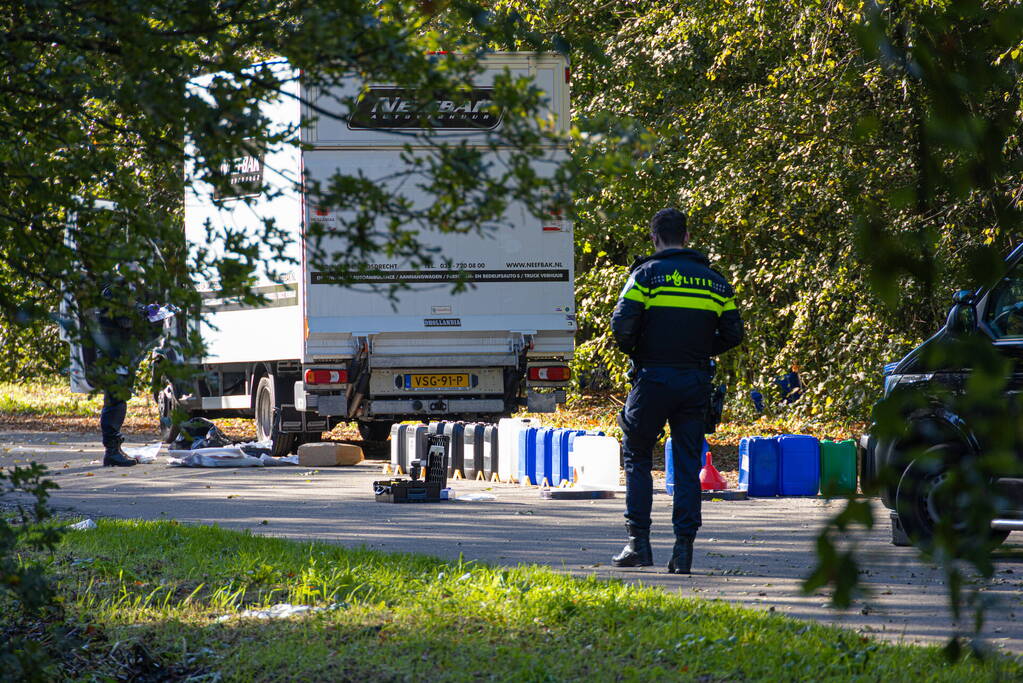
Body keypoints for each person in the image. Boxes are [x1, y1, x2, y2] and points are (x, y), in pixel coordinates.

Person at [610, 208, 744, 574]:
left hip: (652, 378)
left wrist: (642, 351)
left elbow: (621, 326)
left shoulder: (645, 276)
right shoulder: (716, 282)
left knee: (637, 456)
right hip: (694, 381)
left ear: (654, 238)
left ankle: (638, 544)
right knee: (687, 464)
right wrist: (698, 351)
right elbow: (733, 334)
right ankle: (683, 551)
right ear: (686, 237)